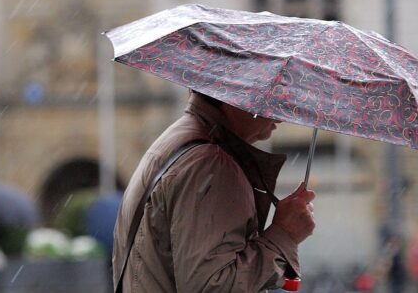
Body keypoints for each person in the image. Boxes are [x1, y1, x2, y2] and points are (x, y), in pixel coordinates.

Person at [112, 91, 316, 292]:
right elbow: (212, 286)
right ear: (237, 93)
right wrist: (284, 234)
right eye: (273, 95)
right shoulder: (211, 164)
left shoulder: (182, 140)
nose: (280, 115)